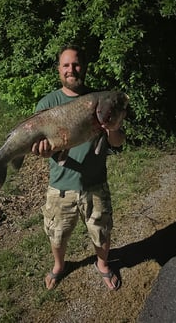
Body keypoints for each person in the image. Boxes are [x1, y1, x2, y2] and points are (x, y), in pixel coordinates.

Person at [32, 44, 126, 290]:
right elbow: (44, 149)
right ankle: (59, 266)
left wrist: (112, 128)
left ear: (83, 67)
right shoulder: (47, 103)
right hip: (61, 185)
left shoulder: (101, 100)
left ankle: (103, 264)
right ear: (58, 70)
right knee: (57, 234)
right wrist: (43, 151)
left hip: (96, 183)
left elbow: (117, 143)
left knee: (101, 231)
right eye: (66, 65)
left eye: (75, 64)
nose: (71, 69)